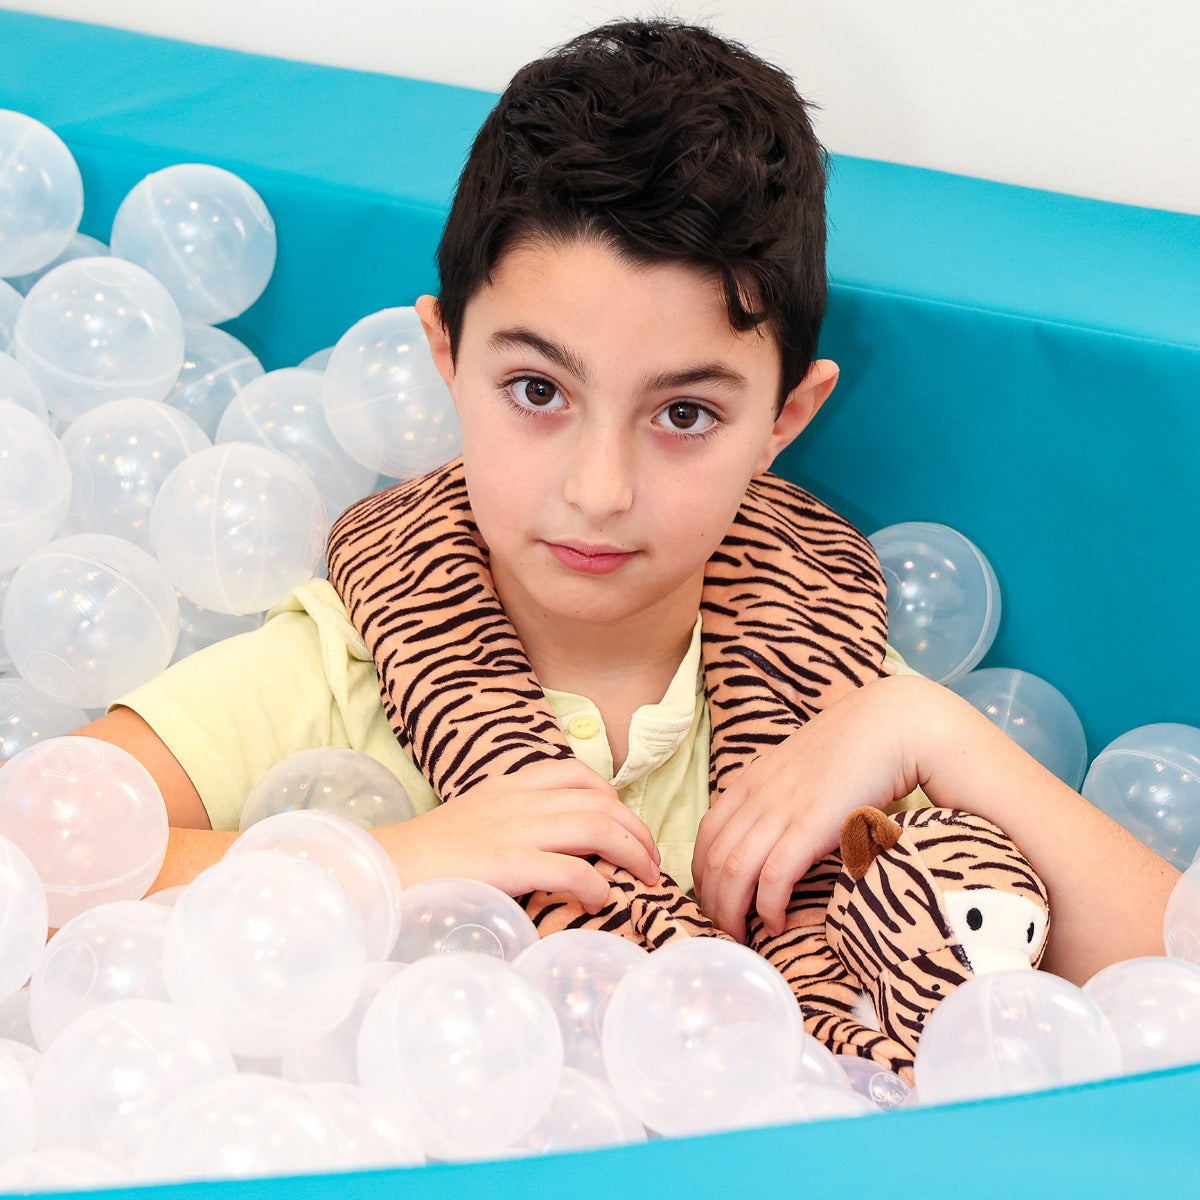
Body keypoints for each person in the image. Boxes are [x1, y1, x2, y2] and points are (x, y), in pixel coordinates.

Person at [74, 18, 1174, 984]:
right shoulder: (340, 669)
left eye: (684, 414)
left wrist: (929, 727)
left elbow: (1172, 982)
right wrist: (402, 860)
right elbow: (41, 858)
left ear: (784, 420)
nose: (599, 490)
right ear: (446, 360)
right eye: (537, 391)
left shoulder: (839, 705)